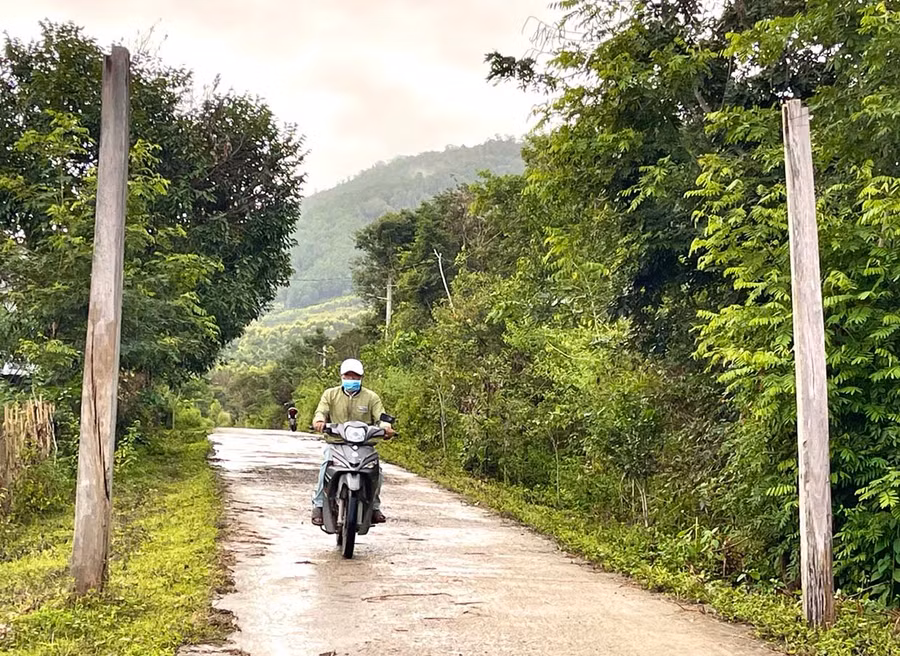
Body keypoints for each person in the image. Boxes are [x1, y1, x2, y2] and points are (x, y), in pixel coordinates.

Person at [310, 358, 394, 526]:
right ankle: (318, 505)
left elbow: (381, 417)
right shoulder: (330, 394)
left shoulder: (371, 397)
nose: (351, 380)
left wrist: (386, 427)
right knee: (326, 465)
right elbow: (321, 411)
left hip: (365, 445)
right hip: (337, 443)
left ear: (361, 378)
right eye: (348, 376)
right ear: (341, 377)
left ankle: (374, 507)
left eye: (355, 377)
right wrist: (319, 421)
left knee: (377, 471)